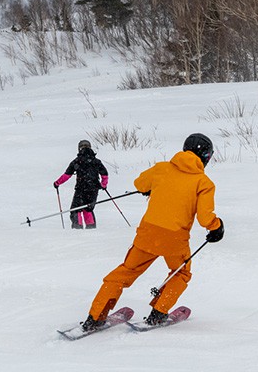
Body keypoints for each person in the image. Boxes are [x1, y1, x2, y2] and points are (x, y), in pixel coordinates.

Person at [80, 133, 224, 330]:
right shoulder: (203, 183)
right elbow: (205, 218)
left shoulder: (162, 169)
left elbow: (139, 184)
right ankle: (158, 313)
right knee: (180, 274)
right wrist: (216, 227)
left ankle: (95, 317)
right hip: (175, 239)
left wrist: (151, 187)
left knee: (124, 273)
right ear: (206, 157)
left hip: (147, 235)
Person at [54, 139, 108, 229]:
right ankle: (91, 228)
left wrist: (57, 183)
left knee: (76, 209)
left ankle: (77, 228)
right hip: (94, 189)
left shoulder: (77, 161)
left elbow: (67, 175)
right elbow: (105, 174)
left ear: (79, 149)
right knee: (88, 209)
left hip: (81, 189)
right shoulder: (96, 161)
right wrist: (103, 185)